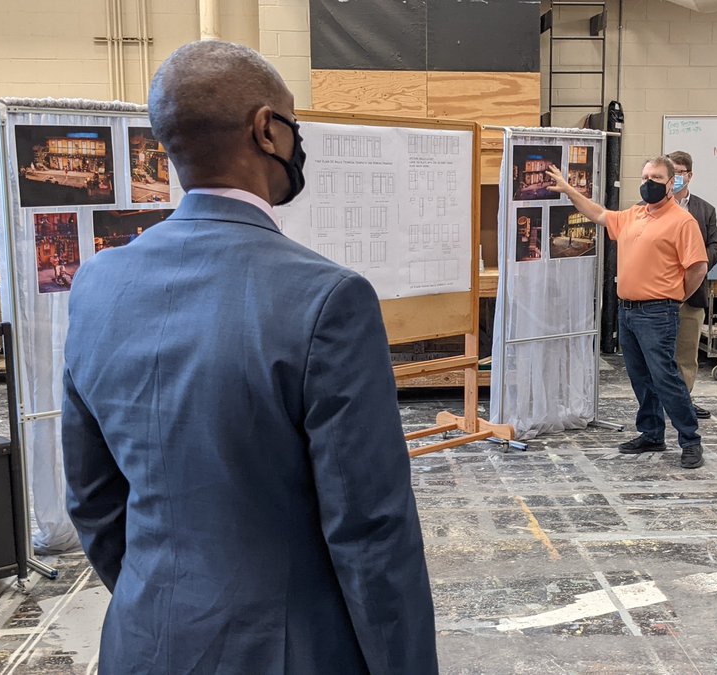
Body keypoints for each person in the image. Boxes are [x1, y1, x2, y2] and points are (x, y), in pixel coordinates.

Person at [61, 40, 438, 674]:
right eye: (294, 126)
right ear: (268, 129)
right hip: (290, 650)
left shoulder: (97, 283)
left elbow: (92, 498)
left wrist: (163, 596)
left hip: (143, 639)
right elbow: (369, 529)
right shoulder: (328, 299)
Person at [545, 156, 708, 468]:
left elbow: (698, 268)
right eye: (645, 177)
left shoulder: (682, 221)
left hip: (658, 312)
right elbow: (600, 214)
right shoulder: (634, 215)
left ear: (671, 183)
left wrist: (675, 297)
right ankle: (651, 433)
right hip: (628, 312)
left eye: (656, 178)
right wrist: (569, 190)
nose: (649, 183)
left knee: (665, 378)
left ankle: (690, 440)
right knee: (640, 378)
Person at [665, 151, 717, 419]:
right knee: (657, 354)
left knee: (687, 353)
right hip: (659, 293)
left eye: (681, 171)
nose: (677, 177)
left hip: (692, 293)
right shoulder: (647, 206)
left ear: (690, 175)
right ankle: (658, 403)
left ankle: (683, 403)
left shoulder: (705, 209)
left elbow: (714, 246)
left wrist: (697, 265)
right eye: (671, 171)